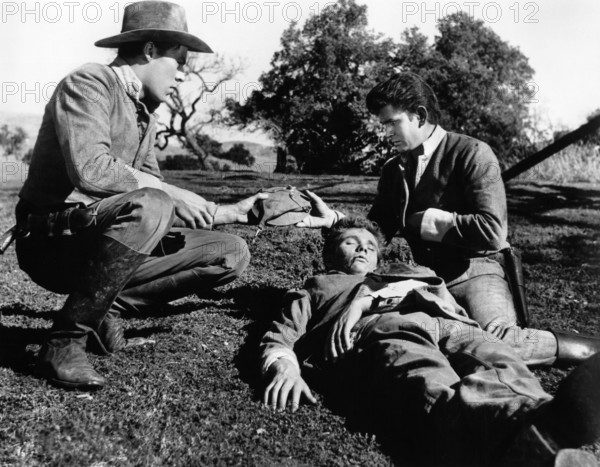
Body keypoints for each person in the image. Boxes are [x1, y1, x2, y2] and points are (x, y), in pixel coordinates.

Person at [14, 1, 266, 390]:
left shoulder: (145, 112)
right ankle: (64, 341)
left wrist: (231, 212)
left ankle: (97, 307)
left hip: (105, 240)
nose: (182, 76)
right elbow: (91, 168)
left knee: (230, 252)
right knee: (154, 201)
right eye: (179, 63)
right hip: (52, 244)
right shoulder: (88, 83)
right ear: (149, 51)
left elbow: (160, 201)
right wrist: (166, 192)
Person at [298, 72, 600, 368]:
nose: (385, 132)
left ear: (419, 115)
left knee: (499, 343)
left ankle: (593, 351)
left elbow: (493, 231)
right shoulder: (393, 169)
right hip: (424, 279)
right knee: (436, 342)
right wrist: (335, 221)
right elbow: (377, 229)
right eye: (383, 124)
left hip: (477, 272)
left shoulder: (473, 153)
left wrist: (427, 221)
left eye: (392, 123)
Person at [261, 217, 600, 466]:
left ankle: (540, 418)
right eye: (351, 241)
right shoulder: (318, 286)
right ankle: (523, 433)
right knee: (427, 378)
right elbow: (281, 336)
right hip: (384, 329)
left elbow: (426, 284)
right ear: (330, 255)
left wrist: (368, 297)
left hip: (449, 321)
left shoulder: (406, 269)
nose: (364, 246)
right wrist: (284, 369)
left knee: (499, 360)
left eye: (371, 245)